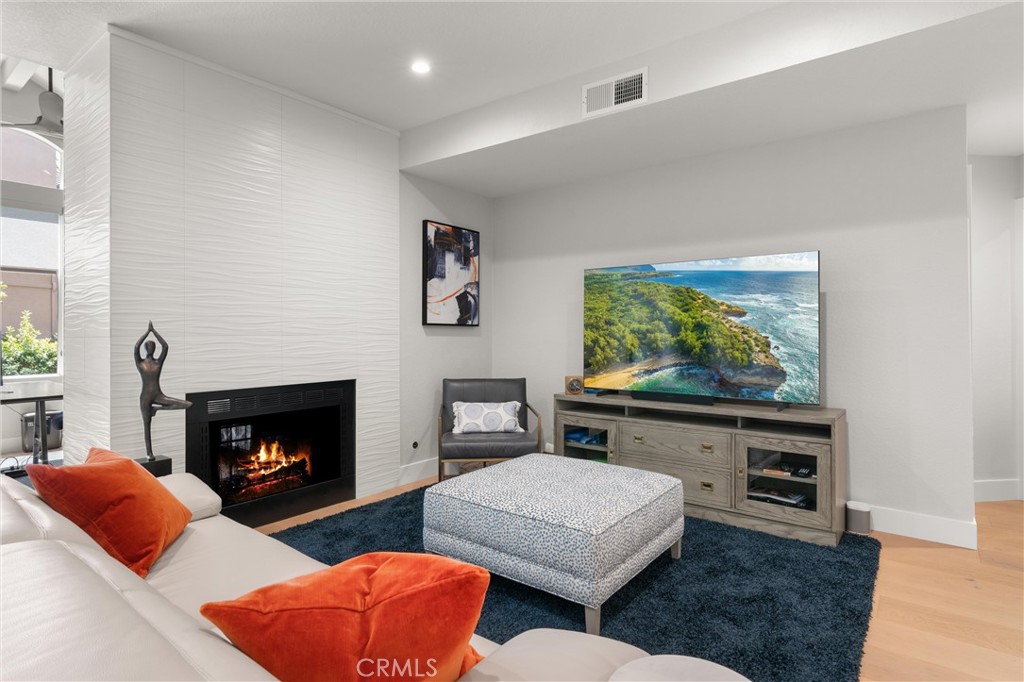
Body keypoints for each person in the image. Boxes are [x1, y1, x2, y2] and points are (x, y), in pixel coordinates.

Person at [135, 321, 191, 460]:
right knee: (146, 426)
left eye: (152, 346)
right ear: (145, 348)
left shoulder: (158, 362)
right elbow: (136, 346)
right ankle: (149, 453)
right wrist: (147, 333)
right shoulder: (140, 362)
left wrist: (154, 332)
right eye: (148, 346)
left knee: (187, 404)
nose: (150, 348)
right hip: (145, 397)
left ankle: (158, 409)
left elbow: (165, 346)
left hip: (158, 394)